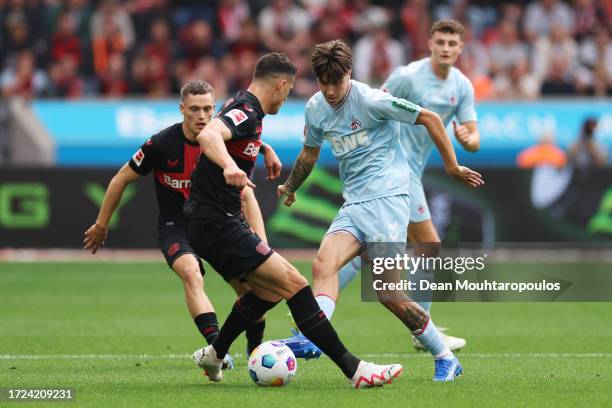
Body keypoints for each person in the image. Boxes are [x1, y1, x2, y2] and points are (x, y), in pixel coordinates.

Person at [186, 52, 403, 389]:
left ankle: (215, 353)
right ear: (281, 84)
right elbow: (210, 135)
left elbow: (233, 131)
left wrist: (263, 149)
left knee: (267, 292)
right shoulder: (246, 110)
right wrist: (230, 166)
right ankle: (356, 370)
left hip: (211, 221)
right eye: (287, 94)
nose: (287, 100)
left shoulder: (245, 107)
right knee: (297, 286)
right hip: (217, 222)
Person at [276, 39, 483, 382]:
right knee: (322, 264)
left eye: (336, 82)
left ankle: (444, 357)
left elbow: (429, 118)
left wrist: (452, 166)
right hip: (355, 202)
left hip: (388, 200)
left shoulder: (371, 100)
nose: (329, 90)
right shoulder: (315, 108)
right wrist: (291, 187)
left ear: (349, 74)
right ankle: (311, 337)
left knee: (388, 294)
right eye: (323, 82)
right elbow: (309, 155)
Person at [83, 80, 280, 368]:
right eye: (194, 109)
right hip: (178, 225)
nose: (202, 116)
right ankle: (216, 352)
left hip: (218, 225)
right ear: (181, 109)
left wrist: (265, 149)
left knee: (251, 293)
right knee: (191, 273)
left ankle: (256, 353)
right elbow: (120, 179)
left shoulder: (222, 143)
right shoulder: (161, 144)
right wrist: (101, 224)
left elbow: (248, 191)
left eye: (208, 109)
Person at [336, 20, 480, 352]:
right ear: (429, 42)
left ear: (461, 47)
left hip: (409, 172)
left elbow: (474, 138)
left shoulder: (462, 86)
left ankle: (314, 308)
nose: (445, 47)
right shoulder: (407, 76)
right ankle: (422, 329)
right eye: (440, 41)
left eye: (452, 43)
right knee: (427, 243)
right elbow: (375, 107)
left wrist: (466, 138)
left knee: (373, 247)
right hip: (394, 168)